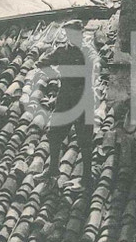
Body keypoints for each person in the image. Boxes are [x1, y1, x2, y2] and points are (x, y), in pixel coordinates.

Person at [40, 33, 95, 191]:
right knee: (54, 134)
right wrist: (57, 75)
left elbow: (96, 65)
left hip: (83, 98)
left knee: (85, 140)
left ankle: (86, 179)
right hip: (65, 99)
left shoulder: (87, 51)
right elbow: (41, 62)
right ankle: (53, 170)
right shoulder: (61, 50)